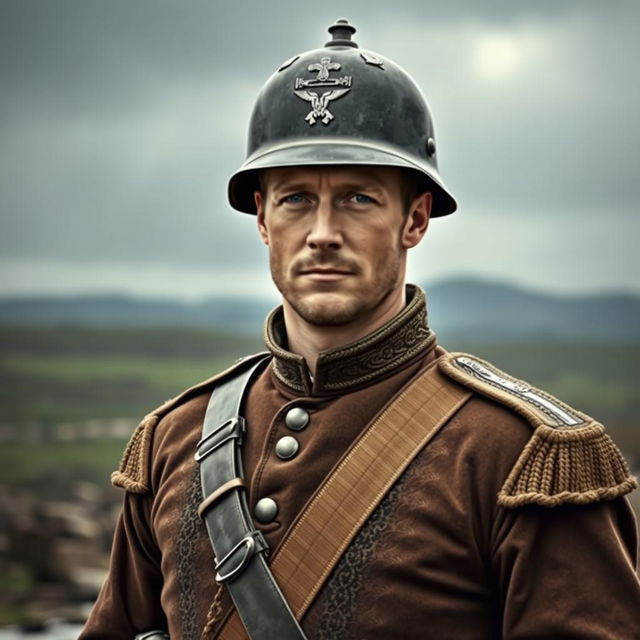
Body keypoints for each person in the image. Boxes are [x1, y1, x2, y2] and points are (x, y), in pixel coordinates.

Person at [81, 19, 640, 640]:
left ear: (415, 219)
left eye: (358, 198)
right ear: (263, 220)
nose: (322, 232)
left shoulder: (516, 454)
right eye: (295, 199)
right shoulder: (173, 441)